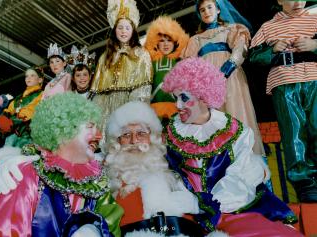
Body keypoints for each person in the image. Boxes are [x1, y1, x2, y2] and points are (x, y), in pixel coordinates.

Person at [161, 57, 303, 236]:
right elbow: (170, 176)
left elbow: (239, 178)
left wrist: (202, 204)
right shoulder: (171, 134)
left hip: (237, 208)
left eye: (184, 98)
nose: (177, 105)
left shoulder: (236, 132)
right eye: (176, 98)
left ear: (204, 97)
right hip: (188, 215)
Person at [0, 93, 123, 237]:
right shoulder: (25, 173)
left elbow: (112, 224)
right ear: (64, 129)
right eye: (90, 127)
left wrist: (95, 229)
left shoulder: (96, 181)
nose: (98, 136)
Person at [104, 101, 216, 237]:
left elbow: (204, 209)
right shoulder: (106, 178)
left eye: (141, 133)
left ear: (152, 138)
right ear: (117, 141)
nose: (134, 141)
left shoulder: (173, 169)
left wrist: (193, 203)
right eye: (126, 135)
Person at [250, 1, 317, 203]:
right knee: (293, 133)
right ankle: (305, 183)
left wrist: (315, 45)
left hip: (314, 78)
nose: (297, 2)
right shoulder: (268, 27)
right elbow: (253, 56)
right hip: (284, 83)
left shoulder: (314, 18)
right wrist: (271, 50)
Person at [182, 0, 264, 156]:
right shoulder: (195, 40)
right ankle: (221, 166)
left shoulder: (232, 30)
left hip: (231, 79)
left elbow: (240, 49)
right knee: (214, 124)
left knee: (237, 116)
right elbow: (189, 65)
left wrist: (229, 66)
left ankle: (246, 162)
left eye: (209, 7)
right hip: (207, 86)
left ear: (218, 9)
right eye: (202, 10)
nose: (206, 12)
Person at [89, 0, 152, 144]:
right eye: (120, 27)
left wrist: (132, 113)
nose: (123, 31)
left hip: (128, 103)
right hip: (106, 107)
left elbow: (143, 89)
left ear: (133, 30)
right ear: (114, 30)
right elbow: (98, 93)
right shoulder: (105, 56)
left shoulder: (141, 54)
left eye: (127, 28)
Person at [144, 16, 189, 122]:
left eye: (169, 40)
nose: (165, 44)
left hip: (177, 107)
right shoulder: (149, 62)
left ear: (175, 42)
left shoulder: (180, 62)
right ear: (155, 42)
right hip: (153, 109)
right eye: (162, 41)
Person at [0, 67, 43, 147]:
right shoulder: (19, 97)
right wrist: (4, 118)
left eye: (32, 75)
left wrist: (11, 122)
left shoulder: (41, 94)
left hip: (28, 134)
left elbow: (30, 111)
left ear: (40, 80)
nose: (28, 78)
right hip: (12, 134)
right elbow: (9, 109)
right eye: (26, 76)